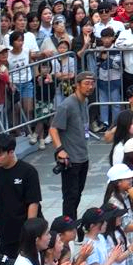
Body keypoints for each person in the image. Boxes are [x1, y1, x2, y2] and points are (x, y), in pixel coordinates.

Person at [47, 73, 94, 221]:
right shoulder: (67, 105)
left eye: (92, 83)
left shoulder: (85, 102)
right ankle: (68, 226)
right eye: (86, 83)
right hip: (70, 159)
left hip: (83, 156)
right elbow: (53, 129)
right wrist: (60, 150)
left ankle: (71, 223)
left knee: (78, 194)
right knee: (70, 197)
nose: (90, 86)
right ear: (77, 85)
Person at [0, 135, 42, 251]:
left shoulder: (28, 172)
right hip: (5, 233)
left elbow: (33, 202)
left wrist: (29, 232)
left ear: (11, 152)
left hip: (25, 232)